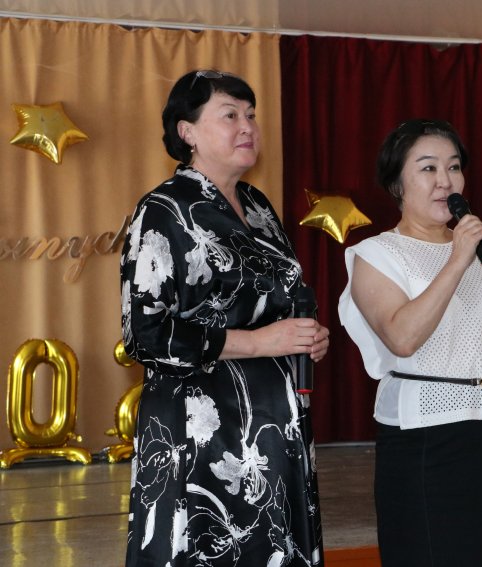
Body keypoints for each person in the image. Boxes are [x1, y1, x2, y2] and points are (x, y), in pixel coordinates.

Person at [120, 69, 329, 566]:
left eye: (251, 115)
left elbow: (276, 301)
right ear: (187, 131)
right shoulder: (163, 210)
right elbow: (145, 335)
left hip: (274, 426)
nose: (247, 126)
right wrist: (259, 343)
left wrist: (305, 335)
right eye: (230, 115)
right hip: (202, 433)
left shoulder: (257, 206)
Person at [338, 119, 482, 567]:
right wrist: (456, 260)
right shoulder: (376, 255)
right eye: (428, 168)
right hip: (425, 437)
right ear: (397, 183)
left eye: (453, 167)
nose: (445, 181)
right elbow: (403, 337)